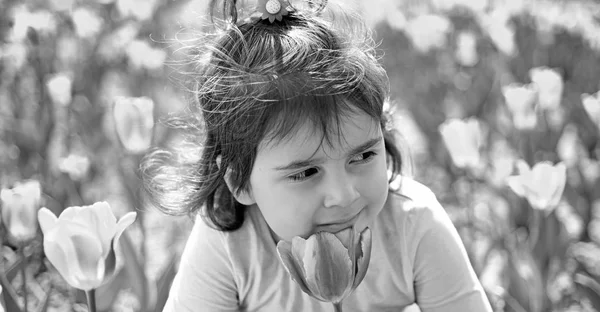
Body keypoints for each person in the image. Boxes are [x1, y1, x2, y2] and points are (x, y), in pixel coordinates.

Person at [142, 0, 493, 311]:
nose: (345, 195)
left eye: (363, 157)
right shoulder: (230, 246)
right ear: (240, 181)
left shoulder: (412, 223)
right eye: (305, 173)